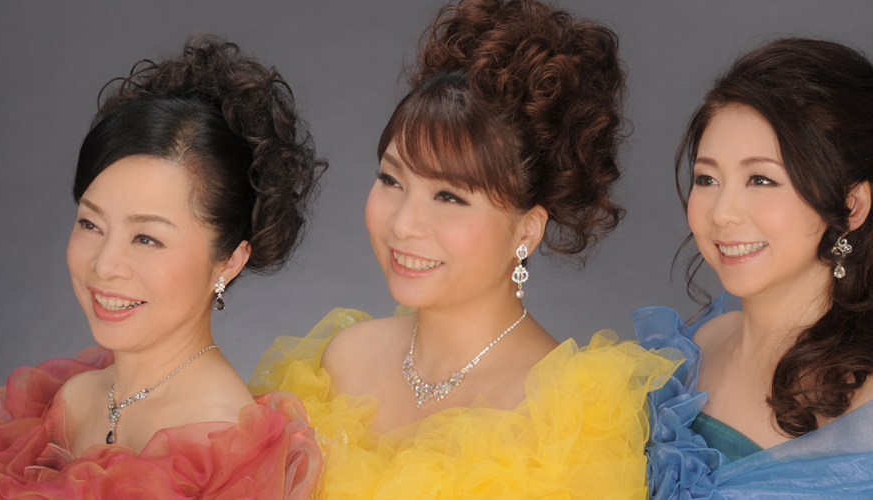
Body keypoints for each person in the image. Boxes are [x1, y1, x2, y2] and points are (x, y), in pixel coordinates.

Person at [248, 0, 680, 498]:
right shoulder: (339, 363)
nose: (404, 224)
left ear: (527, 230)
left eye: (449, 197)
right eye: (391, 179)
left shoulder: (565, 420)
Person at [0, 35, 325, 499]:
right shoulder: (66, 402)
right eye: (90, 223)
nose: (104, 265)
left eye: (146, 238)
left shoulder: (227, 443)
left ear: (229, 261)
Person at [636, 37, 873, 498]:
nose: (722, 212)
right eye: (707, 178)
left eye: (761, 179)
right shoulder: (694, 349)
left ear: (851, 206)